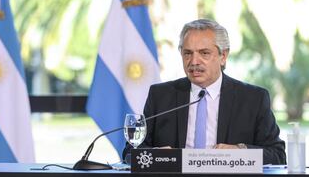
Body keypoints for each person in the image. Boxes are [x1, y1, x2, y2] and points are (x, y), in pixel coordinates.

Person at [123, 19, 286, 165]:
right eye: (188, 53)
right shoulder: (161, 95)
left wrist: (240, 150)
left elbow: (277, 155)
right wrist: (155, 155)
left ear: (223, 56)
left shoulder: (253, 99)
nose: (194, 61)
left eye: (204, 53)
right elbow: (130, 152)